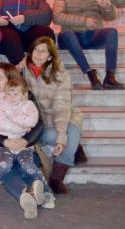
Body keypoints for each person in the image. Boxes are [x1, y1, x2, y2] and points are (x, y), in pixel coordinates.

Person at [0, 63, 53, 219]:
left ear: (11, 79)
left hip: (25, 145)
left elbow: (38, 124)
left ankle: (37, 193)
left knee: (26, 164)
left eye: (0, 78)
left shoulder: (25, 94)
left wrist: (25, 140)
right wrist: (4, 141)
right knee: (6, 166)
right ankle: (28, 194)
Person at [21, 37, 83, 195]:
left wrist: (62, 136)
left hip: (61, 116)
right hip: (39, 123)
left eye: (43, 51)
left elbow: (61, 107)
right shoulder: (23, 70)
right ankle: (75, 147)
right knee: (61, 136)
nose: (38, 54)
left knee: (71, 132)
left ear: (50, 56)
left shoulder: (60, 75)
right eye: (36, 49)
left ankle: (56, 179)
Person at [53, 0, 124, 90]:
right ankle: (90, 74)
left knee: (112, 32)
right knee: (68, 35)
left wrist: (107, 7)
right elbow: (57, 17)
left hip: (92, 35)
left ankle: (110, 76)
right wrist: (84, 21)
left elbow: (110, 17)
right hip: (70, 37)